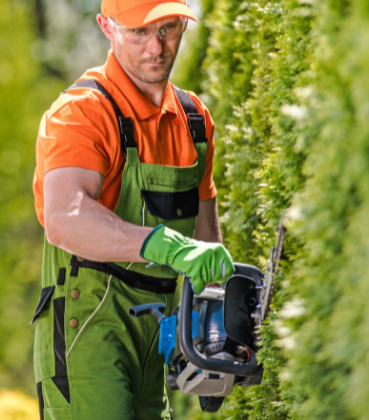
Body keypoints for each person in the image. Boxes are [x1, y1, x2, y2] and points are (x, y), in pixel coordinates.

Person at [29, 0, 236, 418]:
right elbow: (65, 219)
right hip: (88, 325)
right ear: (107, 27)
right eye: (138, 32)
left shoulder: (195, 121)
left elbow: (205, 237)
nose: (156, 48)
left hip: (153, 333)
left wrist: (213, 327)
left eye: (168, 28)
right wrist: (167, 247)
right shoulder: (81, 113)